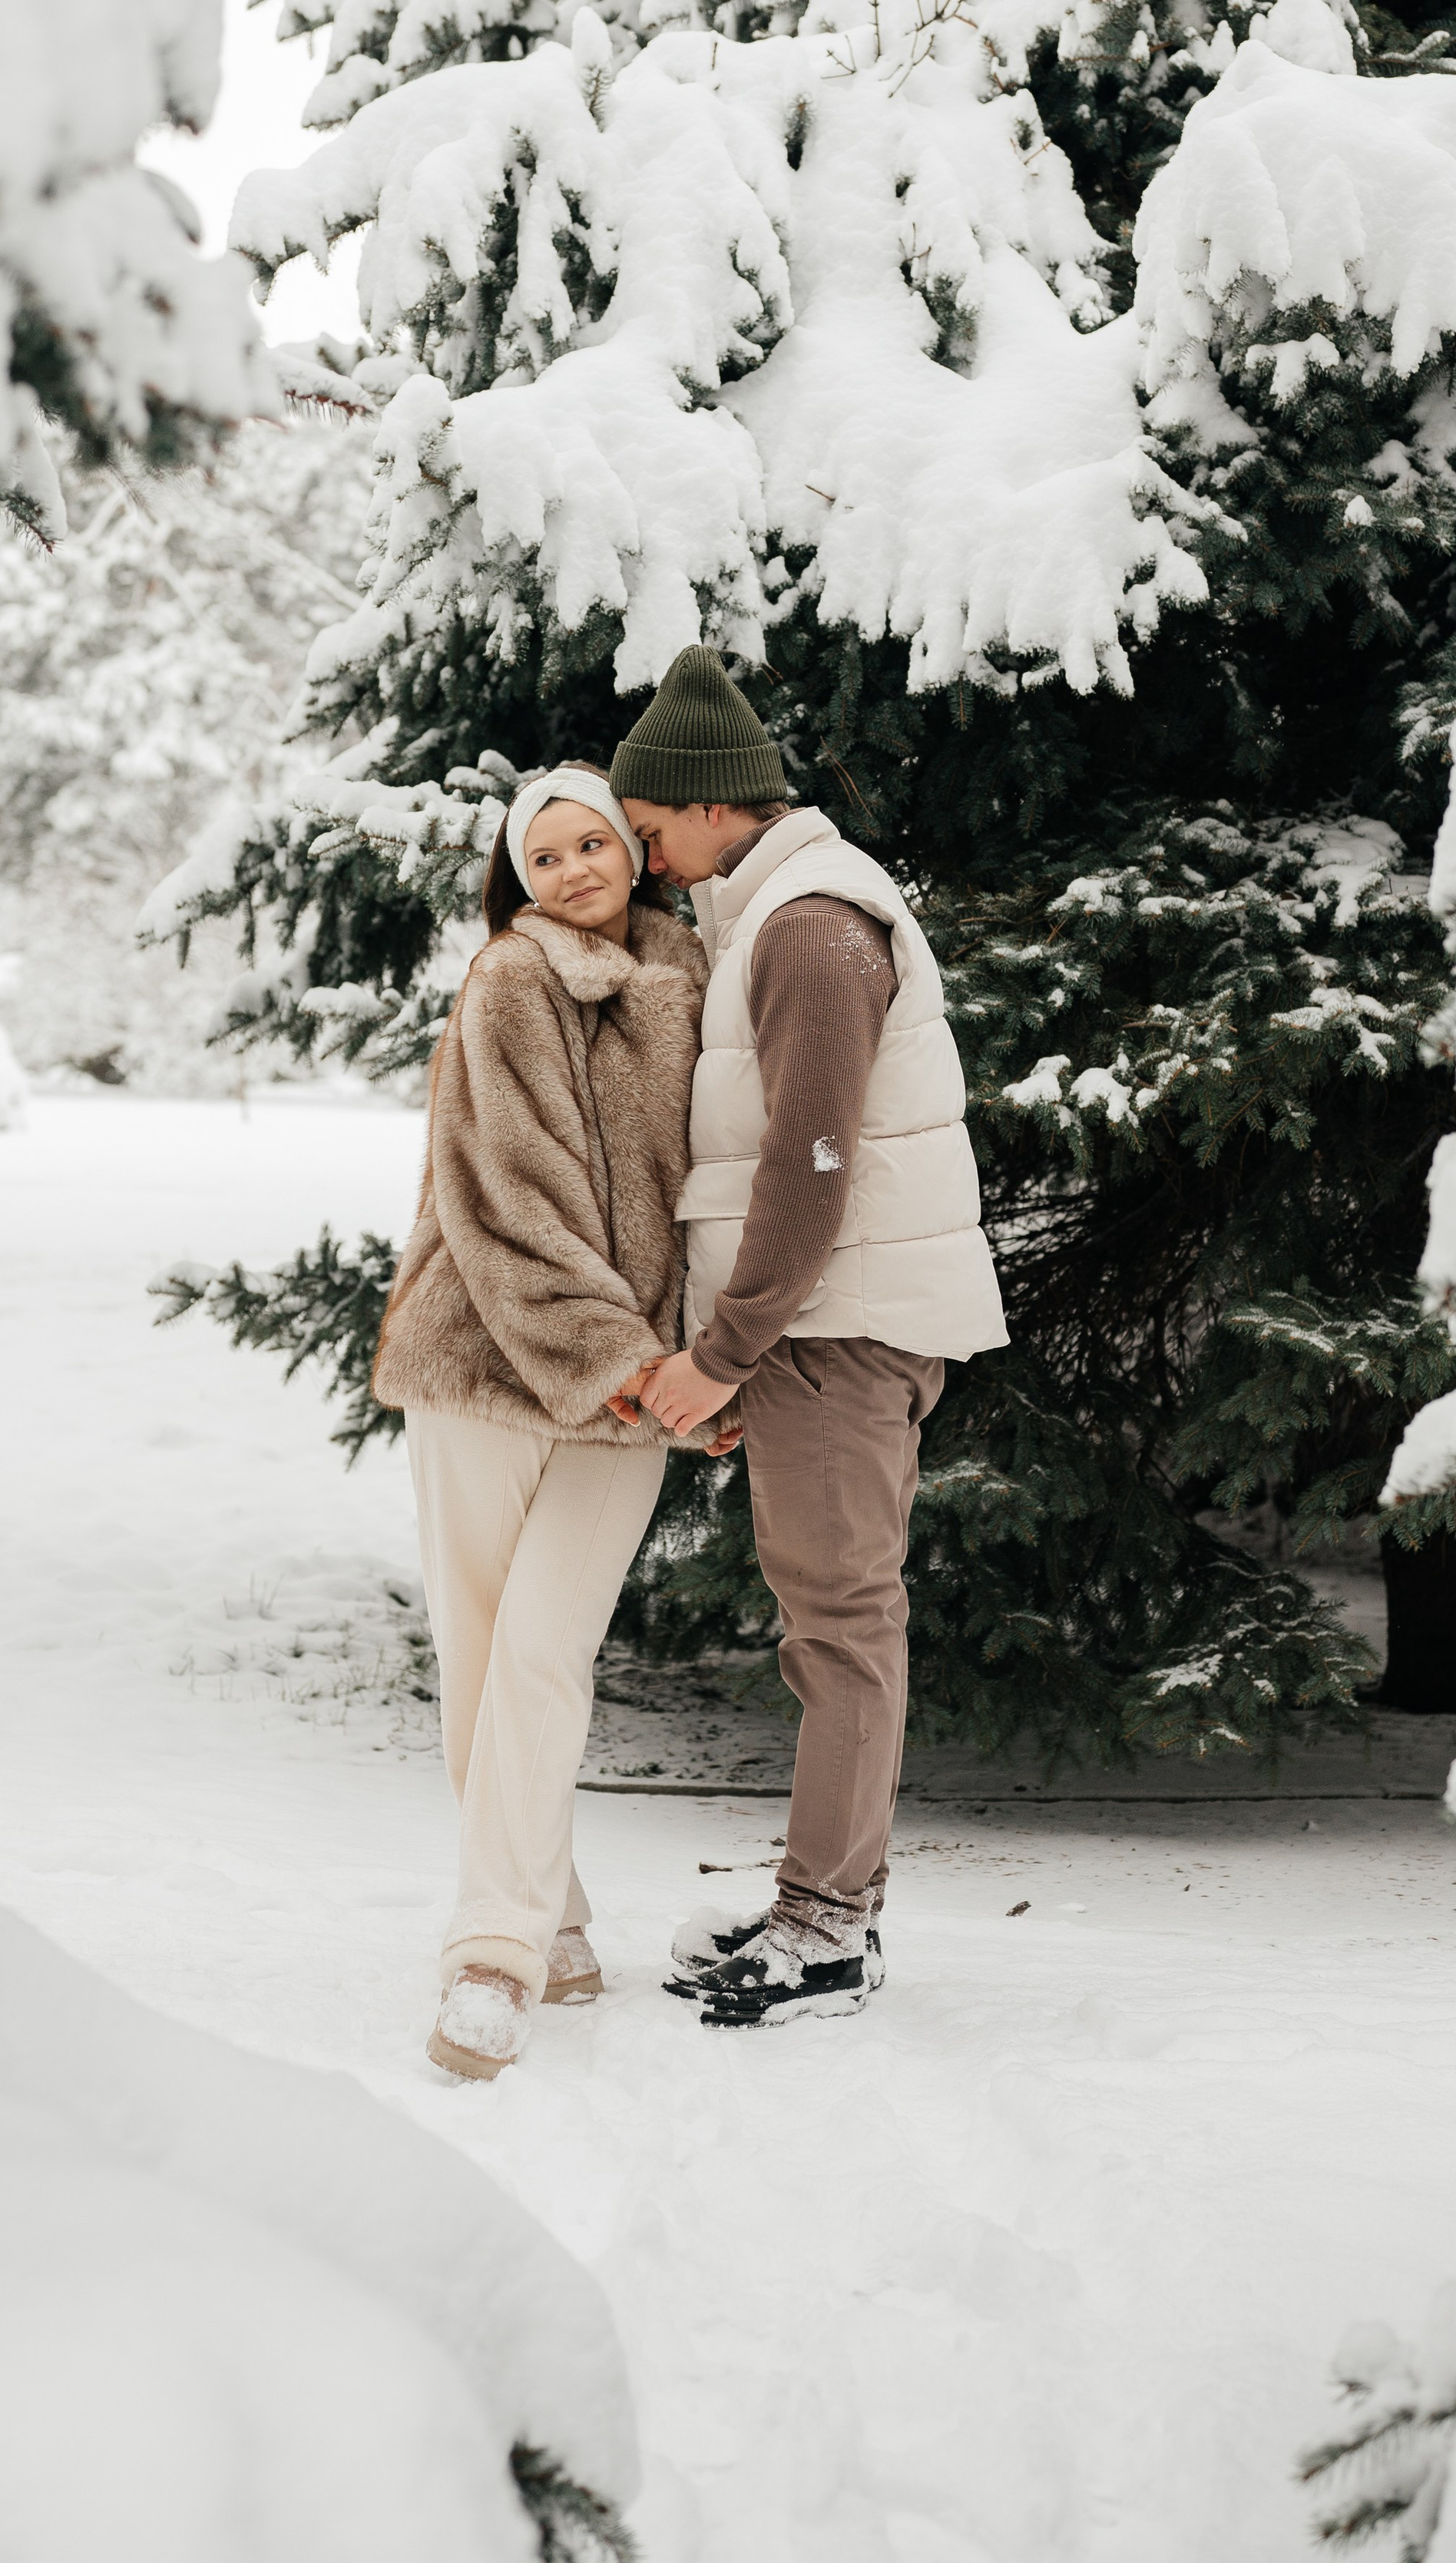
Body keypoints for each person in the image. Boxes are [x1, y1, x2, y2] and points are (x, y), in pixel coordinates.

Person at [608, 649, 1009, 2030]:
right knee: (827, 1624)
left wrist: (725, 1349)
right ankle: (816, 1897)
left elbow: (811, 1165)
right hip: (820, 1333)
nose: (646, 857)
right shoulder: (779, 912)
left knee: (842, 1625)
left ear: (712, 805)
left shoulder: (810, 926)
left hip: (841, 1330)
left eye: (650, 826)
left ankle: (827, 1926)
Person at [372, 761, 725, 2082]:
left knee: (546, 1649)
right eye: (547, 856)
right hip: (486, 1361)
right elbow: (506, 1200)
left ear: (631, 853)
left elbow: (722, 1187)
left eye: (594, 844)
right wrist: (624, 1358)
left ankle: (513, 1926)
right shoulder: (509, 983)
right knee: (484, 1652)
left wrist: (701, 1364)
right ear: (519, 879)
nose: (576, 870)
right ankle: (515, 1945)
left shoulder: (699, 982)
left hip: (632, 1387)